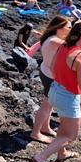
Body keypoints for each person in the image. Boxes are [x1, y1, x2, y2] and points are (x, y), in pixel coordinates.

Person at [33, 22, 81, 162]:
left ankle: (62, 153)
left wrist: (62, 80)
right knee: (71, 135)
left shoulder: (63, 46)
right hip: (68, 97)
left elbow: (53, 66)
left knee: (64, 126)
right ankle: (42, 157)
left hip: (55, 90)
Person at [28, 16, 71, 144]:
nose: (71, 29)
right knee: (46, 106)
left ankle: (45, 127)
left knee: (50, 104)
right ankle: (35, 133)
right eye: (69, 27)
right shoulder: (55, 41)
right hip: (50, 77)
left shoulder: (51, 37)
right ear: (60, 28)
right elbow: (78, 46)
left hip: (46, 72)